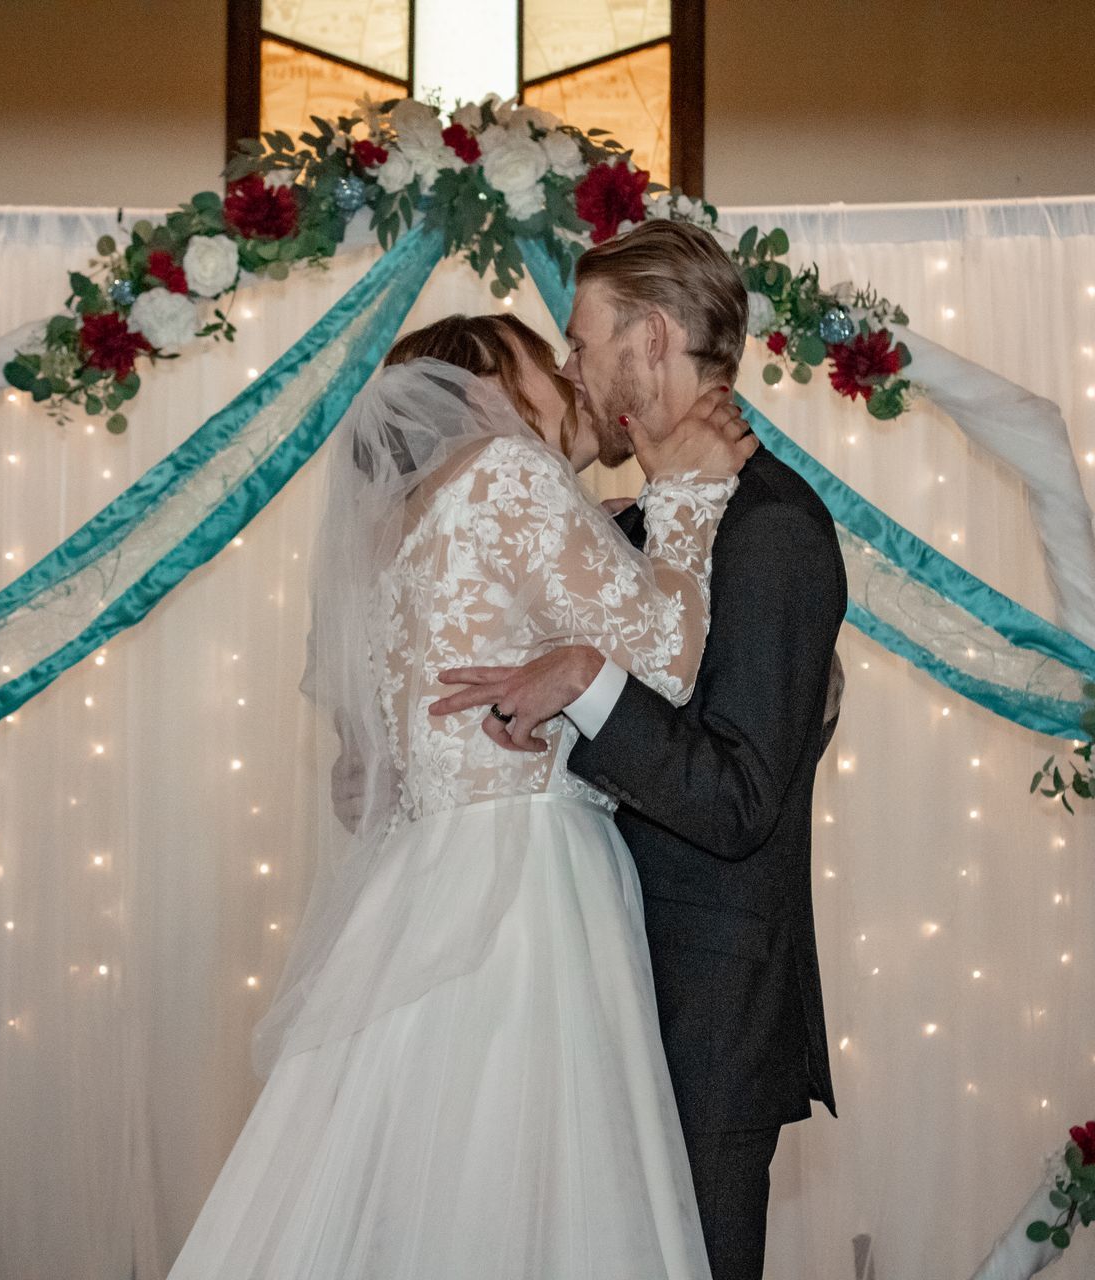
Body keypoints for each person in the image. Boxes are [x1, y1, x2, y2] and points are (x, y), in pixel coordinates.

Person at [165, 313, 755, 1278]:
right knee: (534, 1179)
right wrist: (689, 497)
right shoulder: (504, 474)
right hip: (527, 881)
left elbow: (364, 784)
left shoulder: (396, 535)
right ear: (485, 390)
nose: (570, 380)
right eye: (545, 358)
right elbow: (664, 660)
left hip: (423, 879)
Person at [430, 220, 849, 1280]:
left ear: (651, 338)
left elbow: (740, 796)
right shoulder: (616, 533)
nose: (570, 368)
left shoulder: (776, 530)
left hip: (699, 1023)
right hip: (577, 998)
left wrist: (589, 682)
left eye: (582, 340)